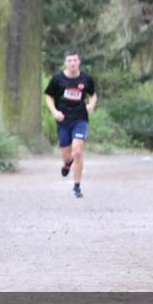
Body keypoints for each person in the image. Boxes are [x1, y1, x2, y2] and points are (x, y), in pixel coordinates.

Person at [44, 49, 98, 198]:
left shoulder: (86, 79)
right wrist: (55, 112)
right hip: (63, 120)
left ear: (79, 62)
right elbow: (48, 96)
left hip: (80, 118)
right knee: (67, 156)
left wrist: (91, 105)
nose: (72, 63)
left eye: (75, 60)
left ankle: (77, 186)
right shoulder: (57, 79)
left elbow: (93, 95)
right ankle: (67, 164)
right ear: (65, 63)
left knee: (78, 151)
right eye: (70, 61)